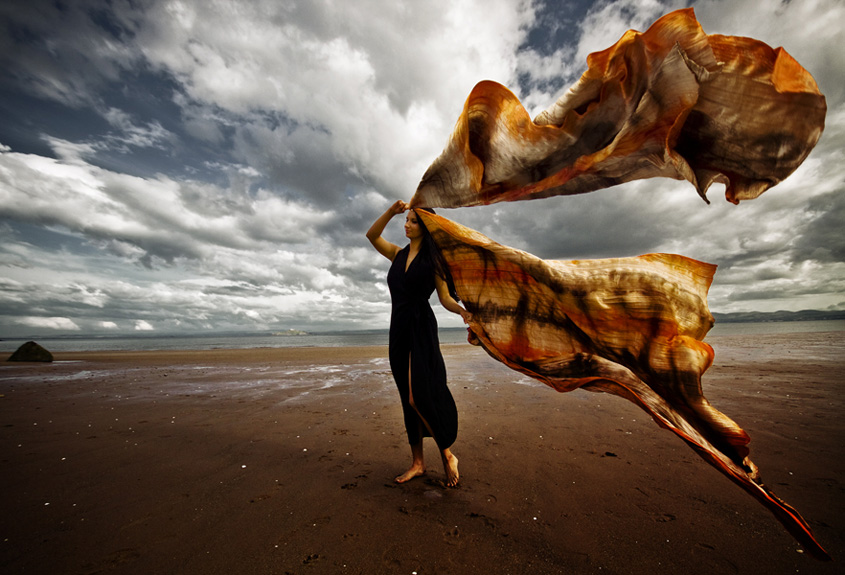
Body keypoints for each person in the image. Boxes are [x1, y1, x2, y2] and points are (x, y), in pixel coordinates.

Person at [366, 200, 472, 487]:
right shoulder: (397, 254)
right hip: (398, 329)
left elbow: (445, 297)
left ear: (424, 227)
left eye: (412, 221)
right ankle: (418, 463)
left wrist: (461, 311)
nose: (407, 224)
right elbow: (371, 236)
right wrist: (391, 211)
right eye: (407, 220)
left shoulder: (433, 261)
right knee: (407, 400)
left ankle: (448, 455)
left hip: (421, 328)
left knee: (420, 396)